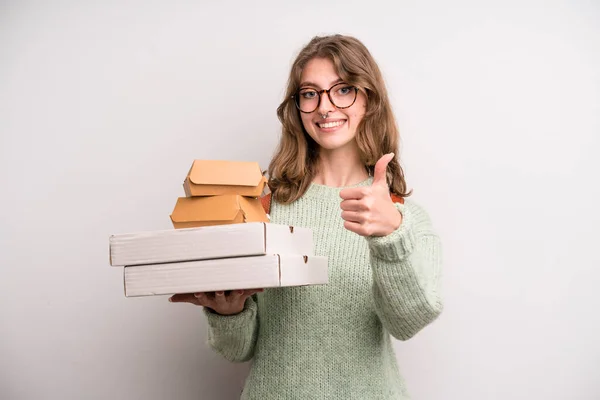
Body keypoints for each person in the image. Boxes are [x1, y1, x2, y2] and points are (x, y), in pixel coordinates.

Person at [170, 34, 444, 399]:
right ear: (297, 106)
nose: (325, 107)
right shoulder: (263, 207)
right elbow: (238, 351)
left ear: (369, 99)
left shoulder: (403, 219)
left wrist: (390, 236)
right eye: (310, 93)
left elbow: (407, 322)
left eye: (342, 89)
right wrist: (229, 312)